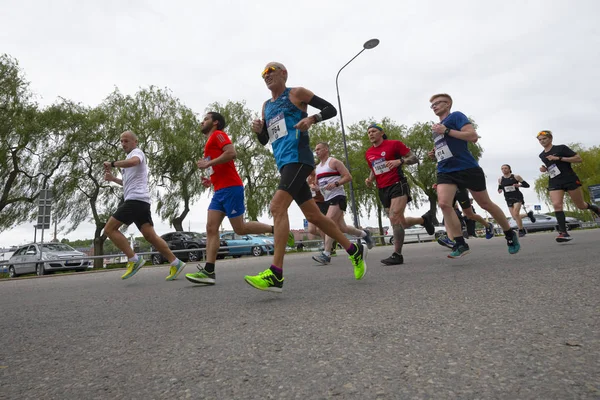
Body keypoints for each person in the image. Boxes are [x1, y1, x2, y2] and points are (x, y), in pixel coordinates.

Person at [248, 62, 367, 292]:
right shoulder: (265, 106)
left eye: (270, 71)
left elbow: (330, 109)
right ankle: (354, 251)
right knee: (314, 216)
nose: (266, 76)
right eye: (263, 74)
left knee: (277, 207)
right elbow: (265, 140)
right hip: (283, 164)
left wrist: (312, 119)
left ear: (284, 73)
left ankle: (276, 274)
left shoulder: (296, 93)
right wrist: (258, 131)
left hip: (299, 159)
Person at [185, 112, 294, 285]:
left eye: (205, 119)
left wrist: (208, 164)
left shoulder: (219, 135)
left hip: (231, 187)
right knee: (211, 228)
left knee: (240, 228)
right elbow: (217, 165)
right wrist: (208, 178)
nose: (202, 122)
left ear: (215, 122)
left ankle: (278, 230)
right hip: (219, 190)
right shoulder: (208, 142)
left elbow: (231, 153)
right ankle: (209, 271)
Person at [429, 93, 520, 258]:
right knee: (443, 204)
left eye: (437, 103)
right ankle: (460, 243)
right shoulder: (437, 126)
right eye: (432, 105)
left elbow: (472, 137)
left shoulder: (456, 116)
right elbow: (448, 145)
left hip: (466, 168)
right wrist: (435, 152)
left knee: (485, 204)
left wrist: (446, 130)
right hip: (445, 169)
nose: (434, 106)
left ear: (448, 103)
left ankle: (509, 233)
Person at [103, 131, 186, 280]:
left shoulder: (137, 153)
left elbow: (134, 162)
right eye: (121, 141)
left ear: (135, 141)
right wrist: (113, 178)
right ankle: (176, 262)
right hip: (140, 201)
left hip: (135, 200)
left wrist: (113, 163)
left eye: (126, 141)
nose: (123, 144)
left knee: (109, 229)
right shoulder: (128, 158)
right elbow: (127, 183)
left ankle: (134, 260)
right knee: (151, 236)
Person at [364, 123, 435, 265]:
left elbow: (414, 159)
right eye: (369, 132)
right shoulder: (369, 153)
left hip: (397, 184)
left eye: (373, 131)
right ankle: (424, 220)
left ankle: (397, 254)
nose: (371, 134)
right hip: (382, 189)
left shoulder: (394, 144)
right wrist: (370, 178)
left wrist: (400, 161)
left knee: (393, 217)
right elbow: (375, 168)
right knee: (400, 222)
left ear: (381, 132)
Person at [310, 142, 374, 265]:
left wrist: (336, 184)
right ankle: (365, 234)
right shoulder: (317, 168)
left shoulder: (334, 162)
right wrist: (315, 188)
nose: (316, 151)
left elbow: (348, 177)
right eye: (315, 150)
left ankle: (326, 254)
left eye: (319, 149)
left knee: (328, 223)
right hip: (327, 199)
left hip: (338, 196)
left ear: (326, 149)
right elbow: (319, 186)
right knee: (342, 228)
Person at [537, 130, 600, 242]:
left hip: (569, 179)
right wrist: (545, 169)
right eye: (540, 140)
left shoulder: (561, 148)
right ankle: (563, 232)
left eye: (544, 139)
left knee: (580, 205)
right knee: (557, 205)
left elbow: (578, 159)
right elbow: (553, 167)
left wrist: (559, 158)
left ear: (550, 138)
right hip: (555, 181)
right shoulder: (542, 155)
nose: (542, 141)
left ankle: (595, 208)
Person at [497, 164, 536, 237]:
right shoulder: (500, 179)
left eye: (505, 168)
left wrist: (519, 185)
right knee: (515, 217)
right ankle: (528, 214)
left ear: (509, 169)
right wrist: (499, 190)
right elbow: (500, 187)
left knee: (515, 213)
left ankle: (521, 230)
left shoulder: (516, 176)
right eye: (502, 169)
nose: (504, 170)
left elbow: (527, 185)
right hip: (508, 198)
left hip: (517, 197)